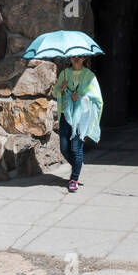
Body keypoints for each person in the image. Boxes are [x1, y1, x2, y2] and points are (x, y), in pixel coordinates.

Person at [52, 55, 103, 193]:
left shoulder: (90, 76)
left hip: (81, 117)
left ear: (84, 59)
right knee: (64, 148)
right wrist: (62, 89)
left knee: (76, 148)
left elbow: (96, 97)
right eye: (73, 56)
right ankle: (77, 165)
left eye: (79, 57)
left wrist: (81, 97)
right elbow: (55, 91)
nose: (76, 59)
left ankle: (74, 178)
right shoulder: (64, 74)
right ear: (69, 59)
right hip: (66, 115)